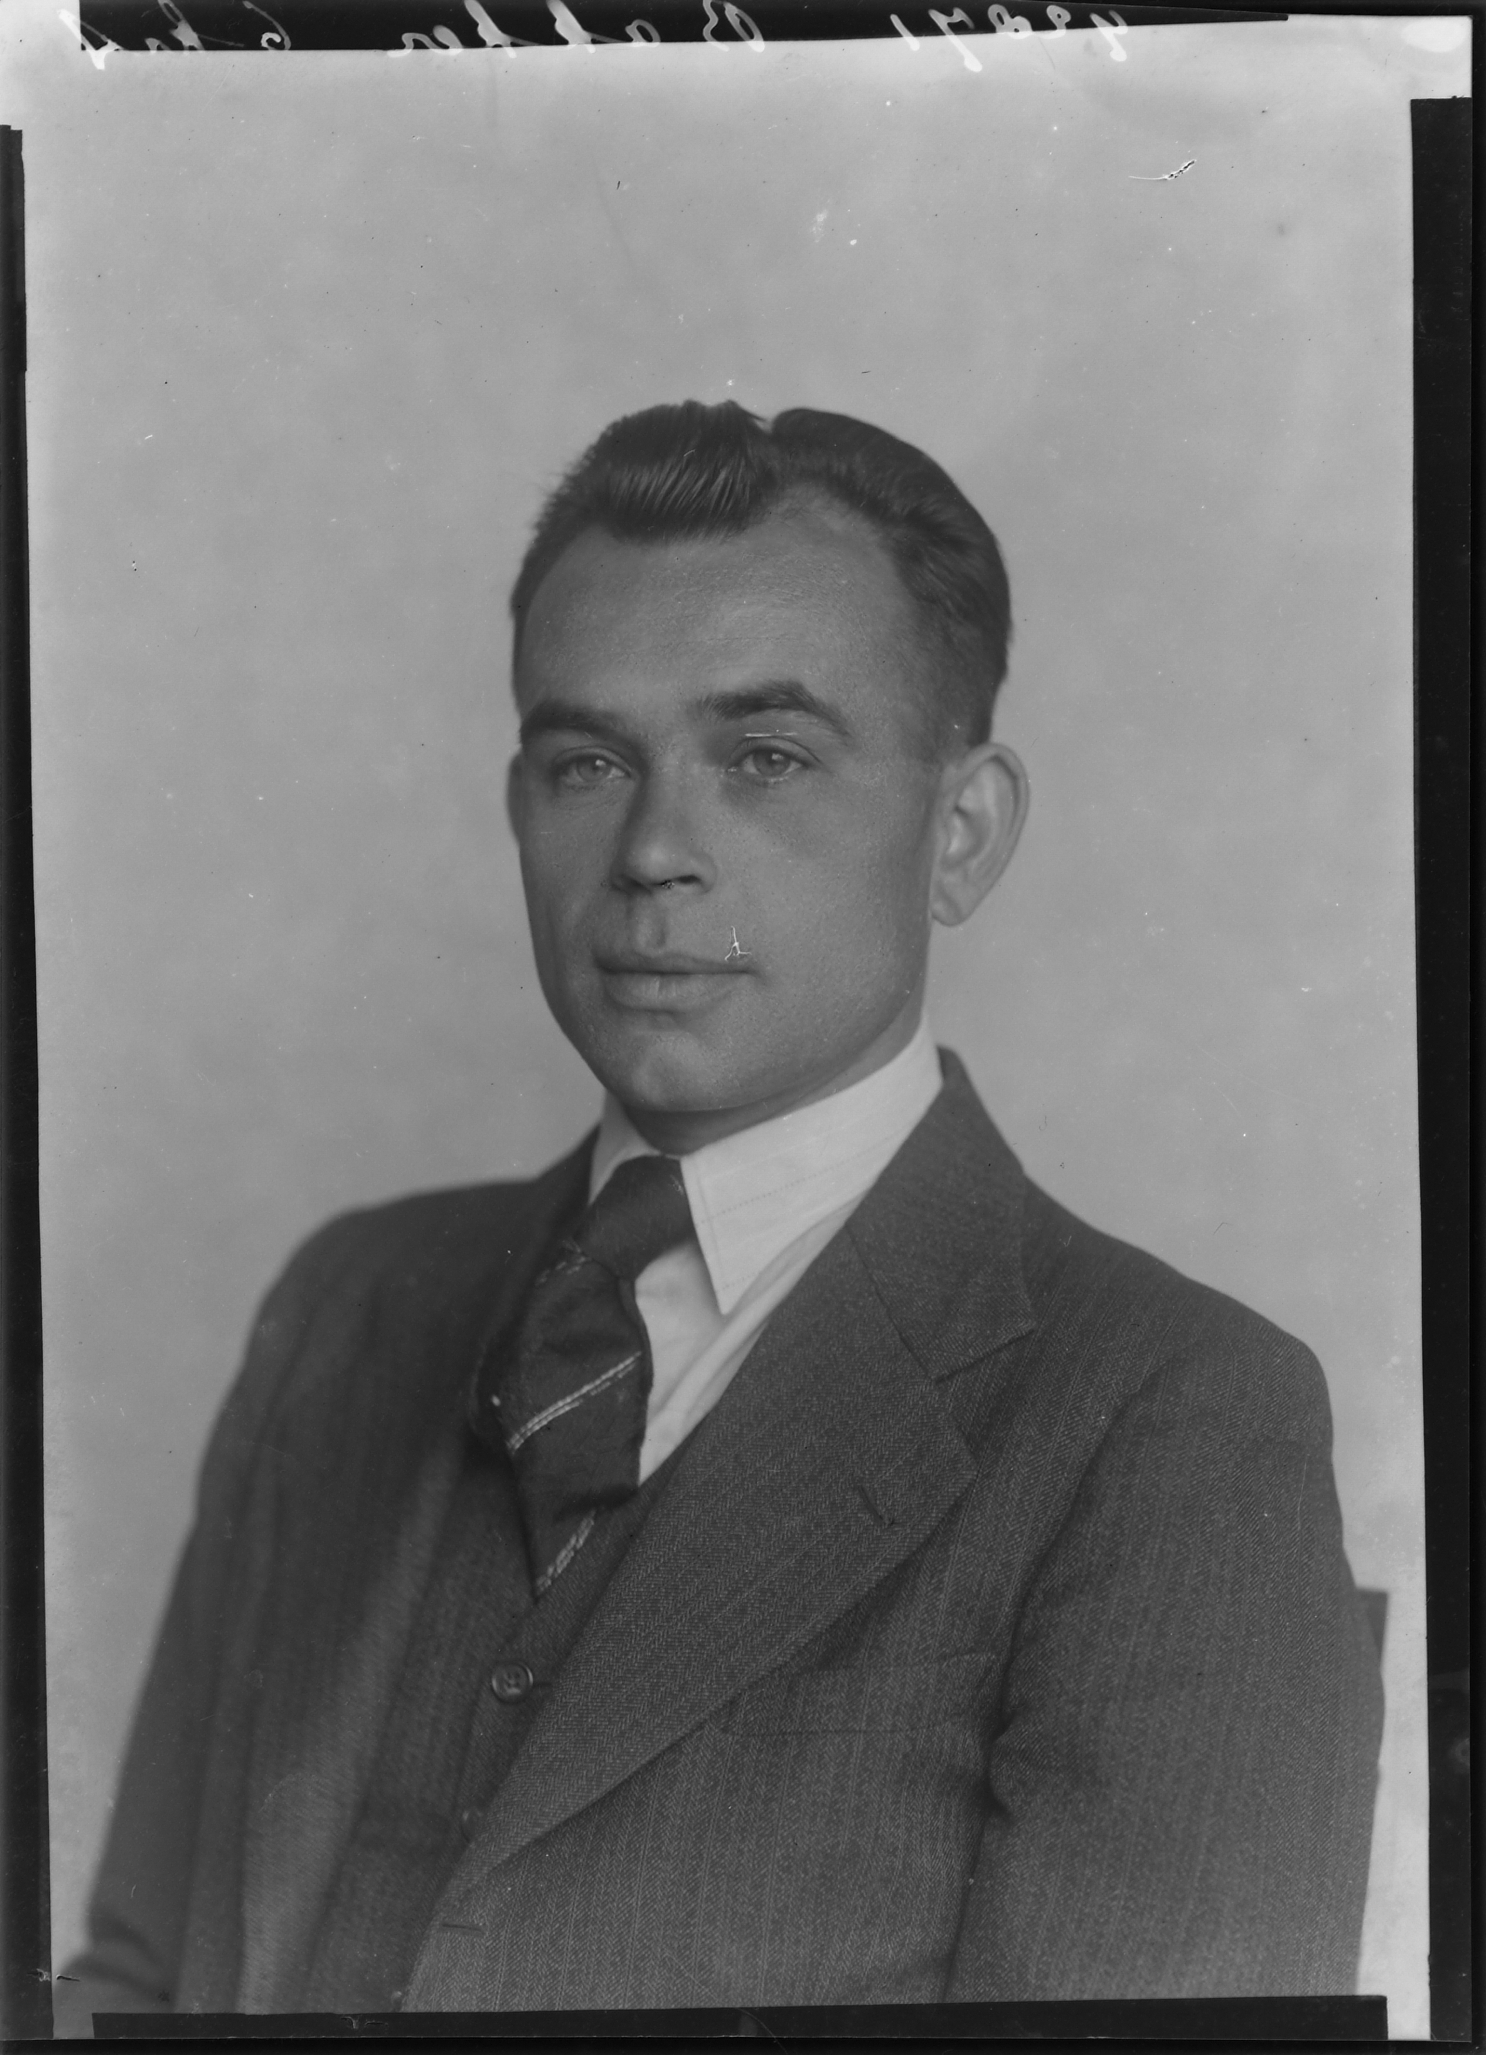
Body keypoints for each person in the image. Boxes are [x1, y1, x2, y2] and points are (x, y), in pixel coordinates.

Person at [59, 402, 1383, 2027]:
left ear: (960, 834)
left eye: (764, 757)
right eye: (587, 763)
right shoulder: (349, 1307)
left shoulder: (1171, 1417)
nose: (653, 852)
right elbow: (130, 1982)